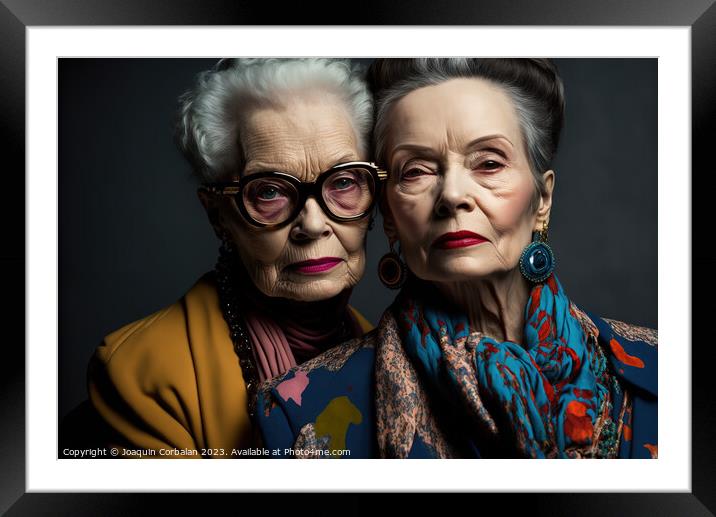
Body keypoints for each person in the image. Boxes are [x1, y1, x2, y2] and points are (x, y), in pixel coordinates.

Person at [256, 58, 658, 459]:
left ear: (543, 199)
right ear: (390, 215)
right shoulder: (298, 415)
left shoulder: (665, 369)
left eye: (488, 163)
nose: (451, 195)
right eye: (416, 171)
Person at [62, 58, 381, 458]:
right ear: (219, 215)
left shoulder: (390, 351)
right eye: (269, 191)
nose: (313, 224)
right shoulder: (143, 376)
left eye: (345, 181)